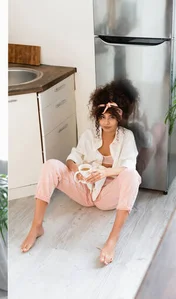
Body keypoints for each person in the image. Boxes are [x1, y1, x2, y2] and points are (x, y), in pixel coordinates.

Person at [20, 79, 142, 265]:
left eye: (111, 117)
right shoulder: (89, 135)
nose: (106, 122)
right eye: (102, 117)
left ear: (119, 116)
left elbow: (127, 167)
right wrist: (77, 171)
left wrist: (104, 173)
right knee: (50, 165)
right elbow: (72, 158)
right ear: (96, 117)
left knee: (133, 176)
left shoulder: (127, 137)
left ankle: (112, 240)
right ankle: (36, 226)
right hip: (85, 189)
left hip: (107, 196)